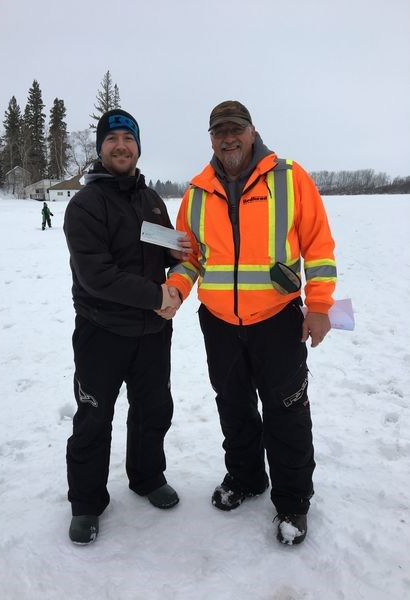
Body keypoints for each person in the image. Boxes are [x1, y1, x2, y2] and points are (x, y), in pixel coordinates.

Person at [163, 100, 337, 545]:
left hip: (277, 320)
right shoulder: (197, 192)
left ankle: (293, 501)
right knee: (234, 405)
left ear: (252, 130)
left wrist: (319, 306)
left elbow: (318, 247)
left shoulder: (289, 178)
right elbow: (190, 258)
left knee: (286, 410)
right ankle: (245, 477)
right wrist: (177, 289)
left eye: (235, 129)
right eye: (219, 131)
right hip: (220, 323)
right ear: (211, 139)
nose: (228, 138)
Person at [63, 108, 189, 545]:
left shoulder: (151, 199)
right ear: (101, 148)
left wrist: (181, 253)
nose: (121, 145)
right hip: (102, 332)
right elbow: (96, 276)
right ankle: (86, 502)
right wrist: (158, 295)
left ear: (138, 148)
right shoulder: (85, 205)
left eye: (129, 139)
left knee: (154, 409)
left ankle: (147, 477)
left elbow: (166, 247)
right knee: (95, 417)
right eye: (113, 138)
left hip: (153, 333)